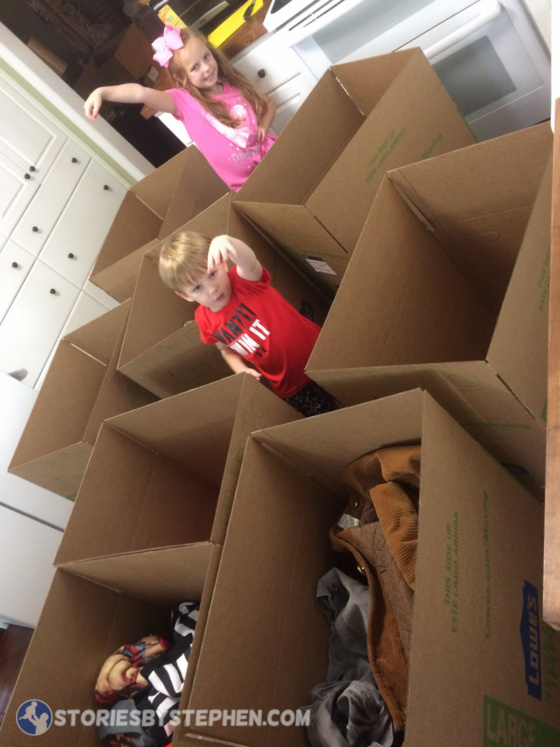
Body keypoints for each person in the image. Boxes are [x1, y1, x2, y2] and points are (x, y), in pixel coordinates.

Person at [159, 231, 339, 417]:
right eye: (197, 287)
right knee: (330, 417)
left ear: (223, 261)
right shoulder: (204, 320)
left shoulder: (244, 281)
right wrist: (241, 370)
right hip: (289, 385)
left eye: (212, 274)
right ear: (185, 295)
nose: (212, 289)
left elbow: (249, 261)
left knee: (354, 386)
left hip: (320, 354)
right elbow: (225, 349)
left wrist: (229, 243)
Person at [83, 25, 277, 191]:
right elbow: (140, 93)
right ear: (180, 78)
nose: (207, 68)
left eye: (206, 57)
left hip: (273, 158)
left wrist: (263, 126)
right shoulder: (183, 102)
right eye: (195, 67)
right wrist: (102, 92)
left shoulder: (233, 86)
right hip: (245, 186)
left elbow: (269, 104)